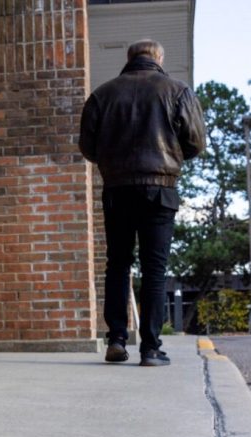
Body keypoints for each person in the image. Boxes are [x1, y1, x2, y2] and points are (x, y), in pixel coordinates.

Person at [78, 39, 206, 366]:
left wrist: (114, 161)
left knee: (118, 263)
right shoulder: (177, 91)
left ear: (129, 58)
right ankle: (150, 348)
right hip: (160, 188)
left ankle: (116, 340)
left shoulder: (102, 95)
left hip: (117, 189)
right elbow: (196, 142)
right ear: (159, 58)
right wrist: (172, 156)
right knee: (155, 268)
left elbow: (88, 148)